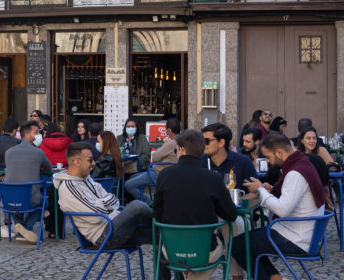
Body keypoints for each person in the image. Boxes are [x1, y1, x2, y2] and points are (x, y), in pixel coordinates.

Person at [235, 132, 326, 280]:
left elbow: (282, 210)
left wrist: (261, 191)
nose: (268, 162)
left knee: (239, 245)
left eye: (269, 157)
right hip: (302, 232)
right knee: (244, 241)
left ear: (279, 153)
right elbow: (292, 196)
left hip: (296, 239)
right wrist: (270, 188)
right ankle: (275, 277)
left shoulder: (295, 173)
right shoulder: (302, 162)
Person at [152, 130, 238, 280]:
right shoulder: (213, 178)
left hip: (172, 250)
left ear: (181, 150)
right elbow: (231, 215)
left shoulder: (165, 175)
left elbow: (158, 213)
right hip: (205, 252)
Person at [55, 142, 153, 250]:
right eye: (90, 160)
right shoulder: (68, 188)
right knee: (137, 206)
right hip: (103, 235)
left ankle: (166, 234)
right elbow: (96, 216)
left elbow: (115, 201)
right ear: (77, 162)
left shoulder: (87, 179)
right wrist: (105, 204)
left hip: (113, 225)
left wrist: (101, 204)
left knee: (160, 235)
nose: (93, 163)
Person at [3, 121, 52, 243]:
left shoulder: (8, 152)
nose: (39, 135)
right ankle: (25, 228)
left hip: (8, 201)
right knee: (44, 202)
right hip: (30, 200)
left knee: (15, 202)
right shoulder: (38, 152)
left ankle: (20, 226)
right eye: (36, 133)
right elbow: (49, 169)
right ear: (26, 135)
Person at [124, 118, 180, 205]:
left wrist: (162, 148)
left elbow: (155, 156)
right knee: (132, 177)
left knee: (128, 184)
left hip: (158, 173)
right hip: (165, 172)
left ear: (169, 130)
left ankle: (150, 204)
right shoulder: (182, 141)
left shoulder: (171, 143)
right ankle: (135, 202)